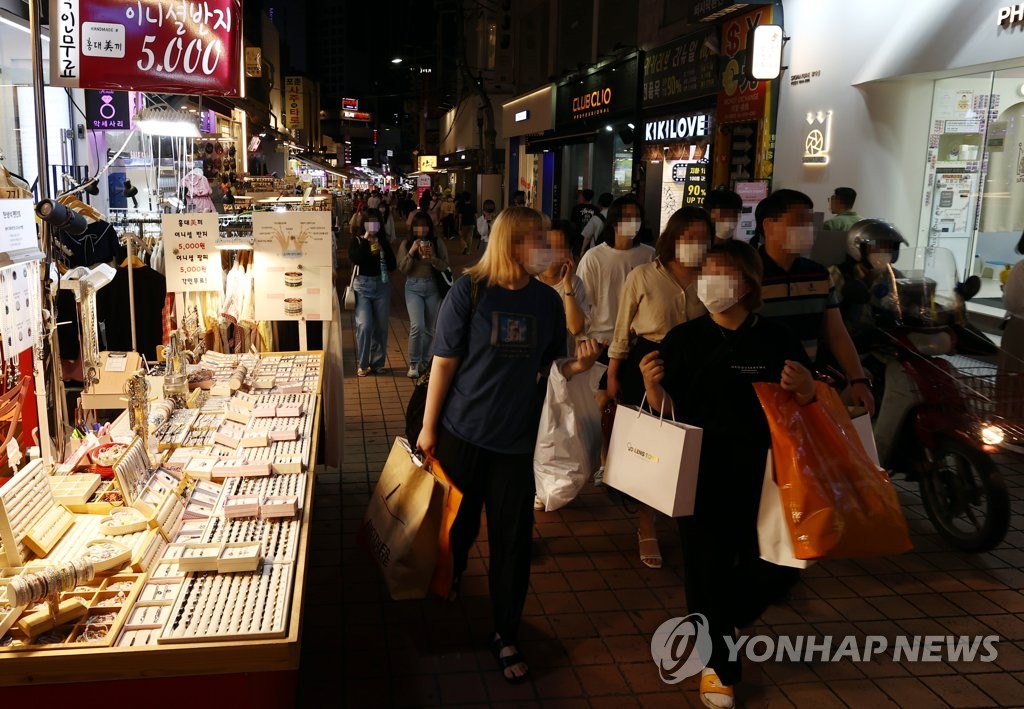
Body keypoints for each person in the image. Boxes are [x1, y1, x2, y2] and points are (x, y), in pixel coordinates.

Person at [416, 206, 603, 684]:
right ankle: (448, 586)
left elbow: (546, 367)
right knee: (456, 531)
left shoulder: (544, 301)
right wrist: (429, 428)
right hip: (462, 433)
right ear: (513, 244)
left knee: (513, 543)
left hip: (516, 444)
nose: (548, 245)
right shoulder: (470, 291)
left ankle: (505, 631)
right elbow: (443, 363)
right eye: (538, 237)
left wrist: (580, 366)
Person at [639, 240, 815, 709]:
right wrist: (652, 389)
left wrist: (806, 388)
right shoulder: (683, 339)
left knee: (780, 567)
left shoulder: (776, 339)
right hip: (700, 469)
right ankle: (718, 664)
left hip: (767, 472)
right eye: (706, 271)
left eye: (721, 271)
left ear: (746, 282)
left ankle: (721, 617)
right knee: (706, 568)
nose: (709, 280)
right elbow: (667, 412)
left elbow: (807, 403)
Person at [606, 206, 711, 566]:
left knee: (693, 443)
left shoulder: (712, 276)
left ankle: (690, 519)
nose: (697, 245)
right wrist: (613, 374)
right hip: (649, 361)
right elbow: (622, 329)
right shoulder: (643, 276)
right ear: (673, 239)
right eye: (690, 237)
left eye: (703, 238)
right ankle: (646, 523)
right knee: (652, 445)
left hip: (698, 366)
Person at [756, 189, 875, 414]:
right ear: (769, 227)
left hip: (806, 388)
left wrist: (858, 380)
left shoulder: (819, 275)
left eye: (809, 222)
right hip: (759, 389)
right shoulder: (748, 275)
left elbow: (836, 333)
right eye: (799, 222)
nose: (807, 230)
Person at [828, 218, 907, 351]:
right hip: (850, 347)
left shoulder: (895, 277)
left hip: (885, 346)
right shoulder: (838, 274)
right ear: (859, 248)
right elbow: (822, 317)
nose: (884, 252)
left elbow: (910, 307)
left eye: (889, 247)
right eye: (877, 247)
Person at [397, 212, 449, 378]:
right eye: (418, 226)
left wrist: (433, 257)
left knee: (429, 329)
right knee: (417, 326)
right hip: (413, 287)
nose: (422, 229)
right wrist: (412, 252)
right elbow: (402, 269)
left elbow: (445, 266)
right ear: (413, 228)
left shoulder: (437, 242)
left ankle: (425, 362)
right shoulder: (406, 244)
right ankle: (413, 363)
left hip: (432, 286)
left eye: (425, 225)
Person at [348, 208, 397, 376]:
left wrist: (382, 249)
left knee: (381, 328)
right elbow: (356, 259)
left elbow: (392, 266)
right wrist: (366, 241)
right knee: (365, 325)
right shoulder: (357, 241)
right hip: (362, 287)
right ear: (364, 224)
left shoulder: (383, 241)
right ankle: (363, 364)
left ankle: (378, 363)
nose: (372, 225)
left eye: (376, 222)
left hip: (381, 286)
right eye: (369, 222)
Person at [998, 230, 1024, 419]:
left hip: (1020, 328)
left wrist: (1005, 290)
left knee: (1011, 377)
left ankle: (1008, 421)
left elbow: (1012, 302)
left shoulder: (1021, 268)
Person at [569, 189, 597, 257]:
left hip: (578, 235)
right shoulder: (595, 209)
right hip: (590, 237)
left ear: (582, 197)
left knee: (577, 255)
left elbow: (573, 222)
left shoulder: (576, 208)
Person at [456, 191, 477, 255]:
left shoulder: (461, 206)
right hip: (472, 223)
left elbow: (460, 217)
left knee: (462, 237)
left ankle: (465, 246)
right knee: (470, 238)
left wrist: (459, 226)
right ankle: (468, 251)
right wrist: (476, 223)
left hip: (464, 224)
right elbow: (475, 215)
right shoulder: (473, 205)